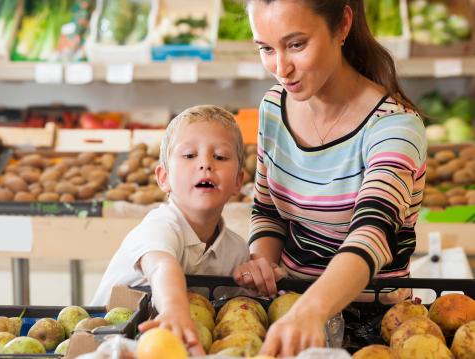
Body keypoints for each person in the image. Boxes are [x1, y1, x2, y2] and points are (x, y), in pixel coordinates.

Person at [232, 0, 427, 356]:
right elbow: (267, 211)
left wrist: (312, 309)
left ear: (342, 26)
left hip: (377, 330)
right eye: (266, 49)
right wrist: (262, 262)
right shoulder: (273, 106)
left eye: (296, 45)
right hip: (289, 314)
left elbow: (372, 235)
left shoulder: (395, 127)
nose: (281, 68)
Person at [91, 105, 250, 355]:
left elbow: (234, 316)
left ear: (238, 182)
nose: (205, 164)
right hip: (105, 343)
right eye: (189, 155)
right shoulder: (159, 225)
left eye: (220, 157)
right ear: (163, 177)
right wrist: (174, 309)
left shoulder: (237, 251)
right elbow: (161, 266)